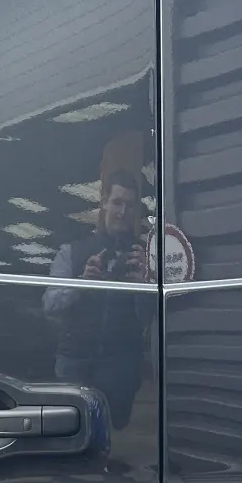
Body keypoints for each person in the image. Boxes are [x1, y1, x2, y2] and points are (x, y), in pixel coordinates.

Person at [41, 170, 151, 430]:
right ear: (103, 202)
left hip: (122, 365)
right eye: (117, 202)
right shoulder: (72, 251)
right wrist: (81, 283)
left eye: (130, 205)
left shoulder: (147, 256)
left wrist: (144, 286)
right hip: (74, 362)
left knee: (115, 434)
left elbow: (151, 320)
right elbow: (50, 304)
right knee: (68, 432)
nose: (122, 212)